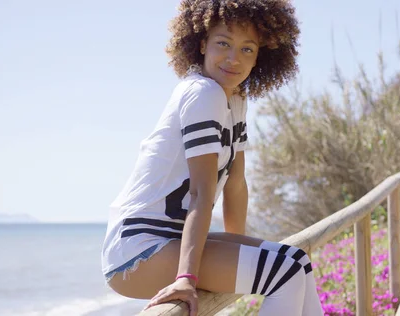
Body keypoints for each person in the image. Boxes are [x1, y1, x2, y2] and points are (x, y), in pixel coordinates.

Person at [101, 1, 323, 315]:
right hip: (138, 249)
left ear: (261, 55)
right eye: (223, 43)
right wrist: (187, 278)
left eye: (248, 49)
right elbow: (201, 194)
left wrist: (238, 260)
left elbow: (236, 184)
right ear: (202, 43)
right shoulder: (203, 94)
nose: (234, 59)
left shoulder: (235, 98)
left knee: (296, 261)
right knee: (282, 274)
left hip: (175, 239)